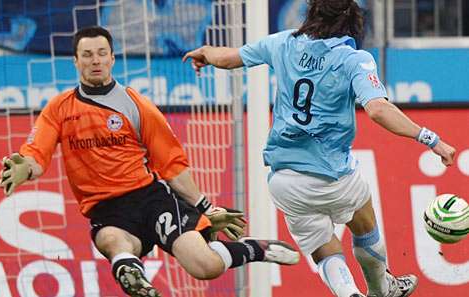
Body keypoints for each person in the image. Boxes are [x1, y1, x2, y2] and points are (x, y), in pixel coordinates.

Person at [0, 26, 299, 297]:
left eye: (102, 53)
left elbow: (171, 164)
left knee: (204, 265)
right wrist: (25, 167)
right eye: (87, 55)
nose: (95, 61)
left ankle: (254, 248)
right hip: (105, 209)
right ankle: (133, 277)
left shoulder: (135, 104)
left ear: (112, 59)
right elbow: (37, 153)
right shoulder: (59, 108)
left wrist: (205, 207)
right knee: (113, 240)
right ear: (75, 61)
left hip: (150, 199)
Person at [182, 1, 456, 297]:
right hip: (333, 175)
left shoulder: (283, 43)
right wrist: (431, 139)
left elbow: (229, 58)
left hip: (284, 179)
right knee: (363, 219)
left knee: (324, 249)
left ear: (312, 15)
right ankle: (381, 289)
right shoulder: (354, 59)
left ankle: (349, 293)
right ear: (352, 21)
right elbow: (377, 109)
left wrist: (206, 53)